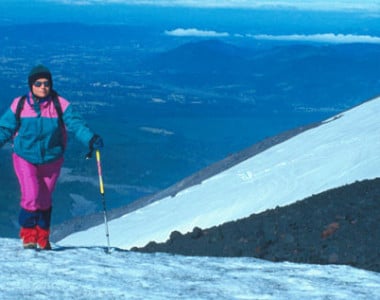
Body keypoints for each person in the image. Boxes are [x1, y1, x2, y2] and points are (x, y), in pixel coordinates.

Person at [0, 65, 103, 250]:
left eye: (46, 83)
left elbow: (76, 124)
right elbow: (5, 127)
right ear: (31, 85)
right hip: (25, 157)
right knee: (31, 196)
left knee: (45, 200)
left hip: (52, 159)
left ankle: (43, 238)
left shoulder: (59, 104)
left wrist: (90, 138)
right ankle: (29, 238)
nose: (42, 87)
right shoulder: (20, 104)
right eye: (38, 83)